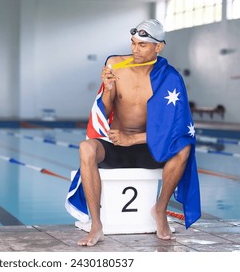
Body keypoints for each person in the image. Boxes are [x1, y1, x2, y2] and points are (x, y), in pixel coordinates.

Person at [65, 19, 201, 247]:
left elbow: (175, 130)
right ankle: (97, 224)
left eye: (142, 45)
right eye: (133, 43)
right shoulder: (115, 65)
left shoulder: (170, 78)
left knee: (184, 147)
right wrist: (107, 90)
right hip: (116, 143)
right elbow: (105, 110)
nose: (135, 49)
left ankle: (160, 208)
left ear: (158, 47)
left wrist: (134, 138)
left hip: (150, 146)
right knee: (86, 148)